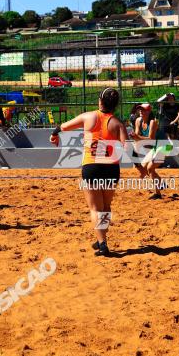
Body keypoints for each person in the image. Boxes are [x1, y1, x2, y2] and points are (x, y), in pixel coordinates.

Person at [50, 87, 127, 257]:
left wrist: (54, 134)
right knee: (106, 207)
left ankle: (102, 243)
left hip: (92, 166)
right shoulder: (118, 123)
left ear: (100, 100)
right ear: (116, 105)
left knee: (94, 208)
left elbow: (63, 126)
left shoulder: (88, 116)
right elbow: (126, 147)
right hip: (111, 167)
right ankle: (102, 237)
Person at [131, 102, 161, 196]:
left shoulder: (153, 122)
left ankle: (158, 193)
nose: (140, 111)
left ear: (148, 112)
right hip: (151, 148)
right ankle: (160, 183)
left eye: (143, 109)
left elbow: (151, 139)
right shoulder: (138, 121)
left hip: (163, 146)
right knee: (144, 171)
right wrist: (134, 138)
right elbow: (137, 138)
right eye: (140, 109)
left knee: (149, 168)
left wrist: (137, 138)